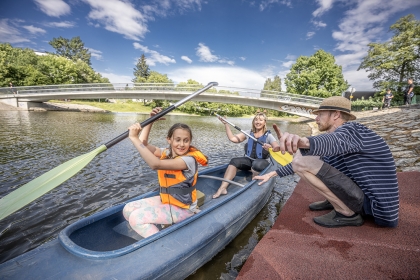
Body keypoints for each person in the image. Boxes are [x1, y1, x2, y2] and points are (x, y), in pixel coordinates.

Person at [254, 96, 399, 228]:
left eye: (320, 114)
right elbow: (313, 158)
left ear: (336, 114)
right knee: (306, 159)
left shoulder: (353, 130)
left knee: (301, 161)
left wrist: (300, 142)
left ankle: (346, 213)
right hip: (365, 199)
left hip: (378, 207)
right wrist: (272, 174)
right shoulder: (341, 138)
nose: (316, 119)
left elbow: (331, 142)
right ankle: (335, 200)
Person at [123, 107, 208, 238]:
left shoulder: (188, 160)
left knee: (136, 218)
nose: (182, 144)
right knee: (128, 209)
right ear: (169, 139)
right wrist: (150, 121)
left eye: (186, 140)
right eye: (177, 140)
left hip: (184, 209)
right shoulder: (166, 152)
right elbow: (144, 144)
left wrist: (134, 138)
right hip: (167, 201)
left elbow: (155, 164)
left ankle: (160, 242)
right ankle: (156, 229)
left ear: (190, 142)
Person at [212, 113, 280, 198]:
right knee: (234, 161)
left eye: (260, 120)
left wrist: (270, 147)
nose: (258, 122)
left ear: (264, 122)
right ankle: (222, 188)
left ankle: (253, 186)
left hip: (262, 162)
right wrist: (226, 125)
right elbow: (233, 139)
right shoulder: (248, 133)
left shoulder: (269, 136)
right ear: (253, 121)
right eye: (256, 119)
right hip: (249, 160)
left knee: (256, 165)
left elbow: (276, 147)